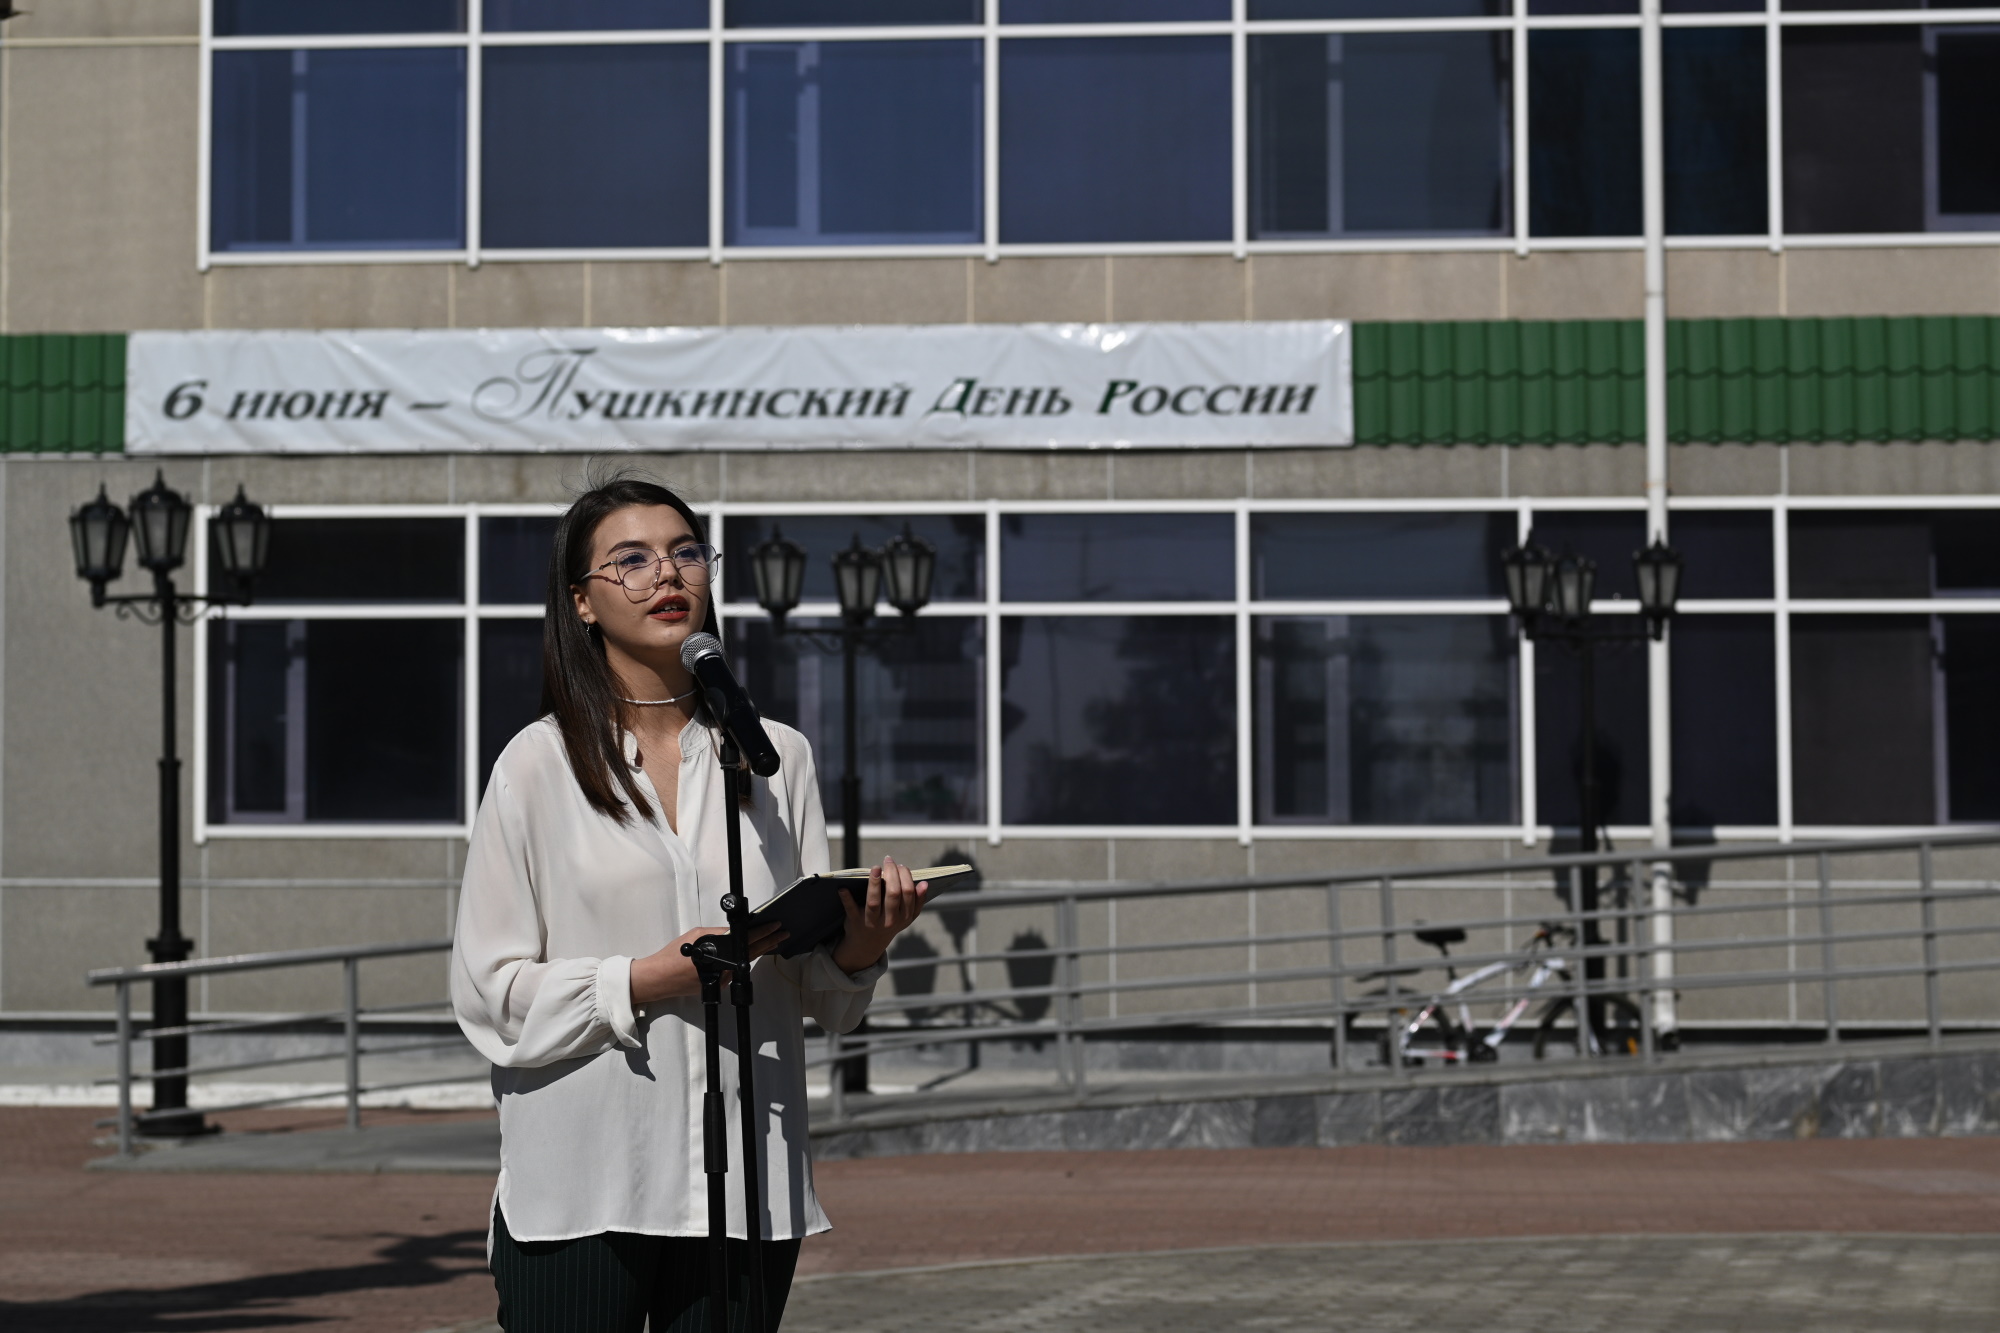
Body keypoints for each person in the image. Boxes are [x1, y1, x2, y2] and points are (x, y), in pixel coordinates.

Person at [452, 473, 929, 1333]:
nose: (667, 574)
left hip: (746, 1177)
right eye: (631, 559)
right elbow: (489, 991)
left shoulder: (776, 756)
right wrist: (642, 980)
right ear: (582, 601)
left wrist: (863, 942)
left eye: (684, 552)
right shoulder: (537, 764)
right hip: (584, 1180)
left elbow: (817, 991)